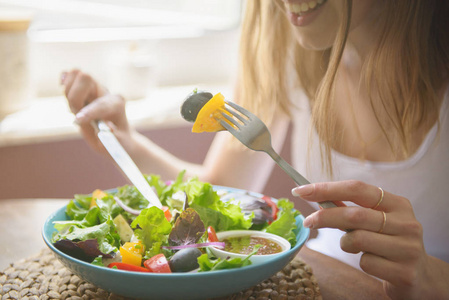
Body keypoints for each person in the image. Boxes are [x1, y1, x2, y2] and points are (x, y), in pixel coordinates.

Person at [61, 0, 449, 299]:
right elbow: (222, 188)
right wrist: (127, 142)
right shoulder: (289, 51)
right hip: (321, 281)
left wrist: (430, 278)